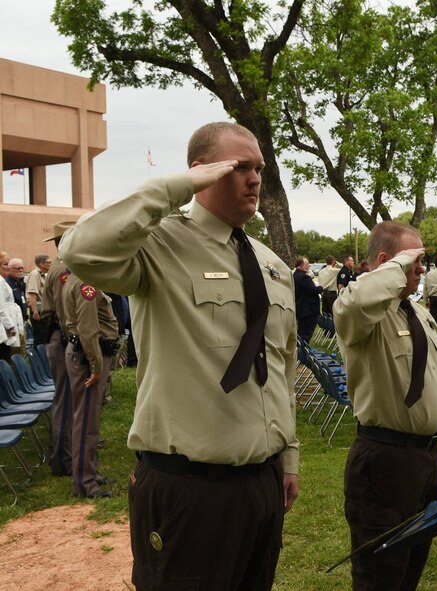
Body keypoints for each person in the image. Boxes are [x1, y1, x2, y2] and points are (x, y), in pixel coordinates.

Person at [60, 121, 299, 591]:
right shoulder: (161, 244)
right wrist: (173, 188)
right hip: (189, 488)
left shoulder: (271, 263)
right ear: (203, 172)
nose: (255, 178)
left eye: (259, 168)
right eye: (240, 167)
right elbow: (80, 249)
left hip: (262, 483)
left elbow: (281, 368)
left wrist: (287, 459)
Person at [333, 221, 437, 591]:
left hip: (425, 457)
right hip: (385, 461)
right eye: (413, 259)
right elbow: (353, 303)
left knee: (410, 568)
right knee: (380, 576)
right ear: (386, 262)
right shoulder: (362, 313)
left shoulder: (416, 312)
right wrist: (394, 269)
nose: (421, 267)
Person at [61, 273, 120, 498]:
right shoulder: (85, 284)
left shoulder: (75, 279)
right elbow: (87, 330)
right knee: (86, 422)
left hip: (84, 353)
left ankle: (90, 473)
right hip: (88, 357)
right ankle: (85, 483)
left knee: (88, 420)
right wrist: (96, 366)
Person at [41, 221, 76, 476]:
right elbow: (66, 313)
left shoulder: (62, 266)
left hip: (59, 337)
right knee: (64, 401)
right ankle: (62, 460)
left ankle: (64, 455)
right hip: (61, 337)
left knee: (66, 399)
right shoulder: (64, 269)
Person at [0, 255, 24, 362]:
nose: (8, 267)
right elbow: (1, 307)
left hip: (6, 322)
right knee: (4, 357)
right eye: (5, 264)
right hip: (4, 325)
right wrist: (10, 327)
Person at [293, 256, 323, 342]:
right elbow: (313, 290)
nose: (309, 266)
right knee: (306, 333)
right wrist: (320, 288)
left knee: (301, 332)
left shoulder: (295, 275)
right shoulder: (304, 277)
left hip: (301, 308)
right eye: (307, 264)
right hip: (308, 310)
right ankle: (302, 351)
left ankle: (300, 350)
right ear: (301, 265)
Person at [26, 254, 52, 346]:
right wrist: (35, 312)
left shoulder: (44, 275)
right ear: (42, 264)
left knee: (45, 337)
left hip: (43, 310)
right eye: (48, 262)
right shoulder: (35, 274)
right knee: (40, 338)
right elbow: (32, 294)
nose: (51, 264)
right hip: (38, 310)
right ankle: (39, 359)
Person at [5, 258, 28, 323]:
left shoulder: (21, 283)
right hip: (13, 319)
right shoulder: (7, 284)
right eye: (18, 268)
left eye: (22, 268)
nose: (21, 270)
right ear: (10, 269)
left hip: (23, 318)